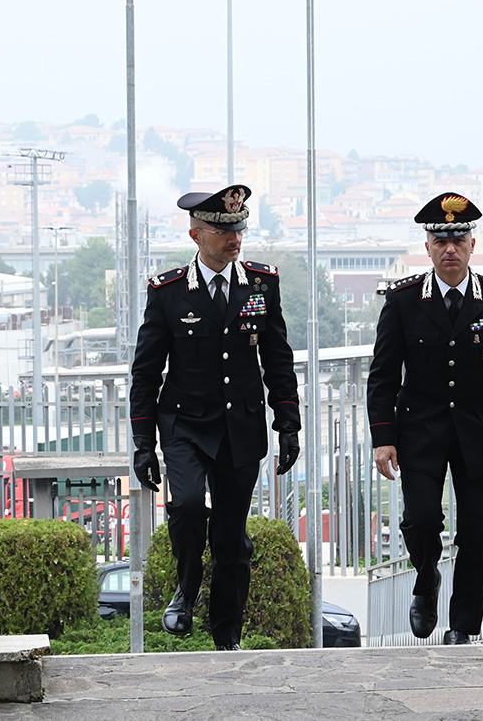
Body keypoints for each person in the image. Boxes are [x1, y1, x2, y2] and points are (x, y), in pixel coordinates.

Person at [366, 191, 483, 645]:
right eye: (440, 240)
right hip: (421, 433)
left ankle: (463, 627)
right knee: (422, 521)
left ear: (472, 244)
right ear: (427, 247)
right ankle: (426, 577)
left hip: (479, 434)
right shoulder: (404, 300)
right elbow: (383, 375)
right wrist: (383, 437)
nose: (450, 248)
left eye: (459, 238)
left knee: (477, 533)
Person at [130, 183, 302, 651]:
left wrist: (288, 421)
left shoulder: (261, 284)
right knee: (185, 505)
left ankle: (226, 634)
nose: (235, 239)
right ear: (196, 235)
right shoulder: (167, 292)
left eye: (239, 229)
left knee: (231, 540)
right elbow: (146, 373)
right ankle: (185, 589)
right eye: (223, 231)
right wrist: (144, 443)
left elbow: (277, 357)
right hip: (185, 424)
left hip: (240, 428)